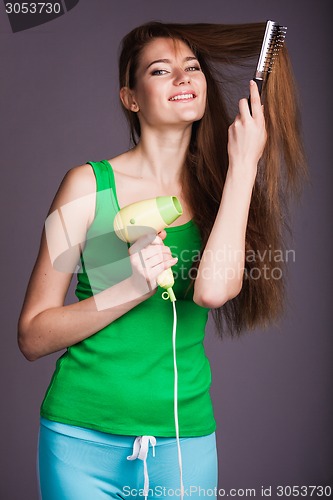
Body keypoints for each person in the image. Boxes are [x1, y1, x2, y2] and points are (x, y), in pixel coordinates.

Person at [18, 21, 306, 499]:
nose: (182, 77)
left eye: (192, 67)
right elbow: (31, 334)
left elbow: (212, 291)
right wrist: (130, 288)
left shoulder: (225, 194)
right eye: (160, 70)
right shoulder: (84, 187)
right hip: (78, 441)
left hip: (183, 443)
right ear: (130, 97)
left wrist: (244, 166)